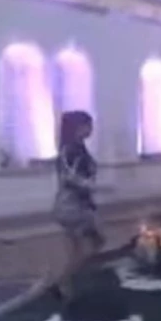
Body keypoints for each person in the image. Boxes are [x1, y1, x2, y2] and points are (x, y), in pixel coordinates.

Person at [49, 110, 105, 301]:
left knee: (80, 248)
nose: (91, 129)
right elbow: (71, 179)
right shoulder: (71, 151)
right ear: (77, 128)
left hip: (74, 204)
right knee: (92, 243)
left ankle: (67, 282)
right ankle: (63, 282)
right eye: (87, 125)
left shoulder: (76, 148)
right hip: (72, 206)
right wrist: (96, 187)